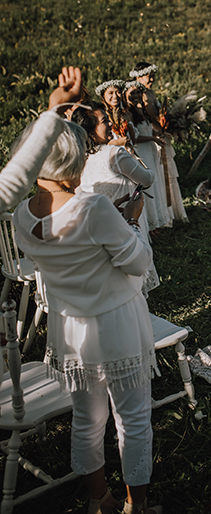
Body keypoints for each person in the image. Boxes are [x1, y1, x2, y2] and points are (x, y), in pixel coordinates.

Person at [12, 120, 161, 514]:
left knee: (86, 418)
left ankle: (99, 500)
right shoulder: (94, 208)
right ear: (72, 162)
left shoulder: (20, 218)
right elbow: (137, 263)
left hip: (70, 329)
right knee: (132, 419)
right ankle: (137, 506)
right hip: (116, 324)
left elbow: (62, 250)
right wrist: (129, 219)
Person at [0, 66, 82, 212]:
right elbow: (10, 184)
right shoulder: (91, 205)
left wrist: (54, 111)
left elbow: (9, 185)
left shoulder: (22, 211)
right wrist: (132, 218)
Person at [130, 63, 188, 223]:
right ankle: (162, 214)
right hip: (153, 136)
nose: (152, 78)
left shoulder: (151, 93)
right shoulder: (138, 95)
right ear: (138, 76)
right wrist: (161, 128)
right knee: (161, 175)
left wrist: (171, 124)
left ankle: (171, 211)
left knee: (168, 173)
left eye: (153, 75)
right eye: (148, 75)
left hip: (160, 133)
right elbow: (151, 118)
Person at [125, 83, 174, 231]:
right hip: (142, 151)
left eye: (138, 93)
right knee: (147, 185)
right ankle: (150, 226)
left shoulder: (141, 111)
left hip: (150, 151)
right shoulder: (128, 113)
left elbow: (148, 130)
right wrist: (152, 139)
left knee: (155, 183)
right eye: (132, 93)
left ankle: (157, 222)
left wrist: (156, 136)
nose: (136, 96)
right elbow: (135, 138)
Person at [96, 79, 134, 147]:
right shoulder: (100, 115)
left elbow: (134, 141)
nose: (115, 96)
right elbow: (97, 143)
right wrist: (117, 142)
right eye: (111, 93)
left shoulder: (127, 114)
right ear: (103, 96)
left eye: (118, 92)